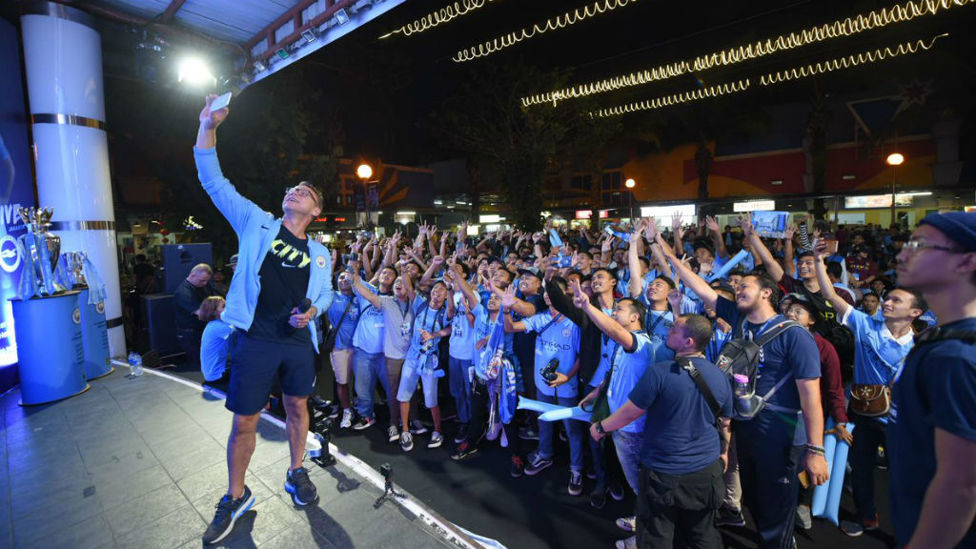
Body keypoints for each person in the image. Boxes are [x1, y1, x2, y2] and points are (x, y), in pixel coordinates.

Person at [194, 95, 335, 545]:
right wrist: (208, 127)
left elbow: (327, 293)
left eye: (307, 192)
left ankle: (296, 472)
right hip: (254, 338)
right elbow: (213, 180)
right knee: (245, 421)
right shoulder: (256, 222)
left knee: (298, 407)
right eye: (294, 188)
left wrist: (314, 311)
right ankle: (236, 495)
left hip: (296, 344)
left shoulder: (320, 253)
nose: (297, 190)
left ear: (315, 212)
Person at [658, 232, 829, 549]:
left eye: (744, 286)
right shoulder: (740, 319)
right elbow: (701, 288)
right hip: (745, 423)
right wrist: (668, 254)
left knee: (777, 498)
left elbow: (811, 398)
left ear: (767, 292)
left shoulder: (795, 336)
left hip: (780, 428)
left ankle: (779, 543)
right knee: (753, 494)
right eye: (735, 288)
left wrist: (816, 450)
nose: (737, 290)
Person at [591, 314, 732, 549]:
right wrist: (724, 452)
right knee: (703, 533)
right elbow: (725, 422)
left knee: (657, 533)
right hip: (706, 471)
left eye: (675, 329)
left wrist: (600, 427)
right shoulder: (720, 375)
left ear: (689, 342)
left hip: (663, 472)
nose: (668, 331)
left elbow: (630, 413)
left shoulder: (660, 372)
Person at [813, 244, 924, 536]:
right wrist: (818, 260)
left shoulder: (921, 345)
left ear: (914, 312)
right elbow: (830, 295)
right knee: (861, 469)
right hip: (862, 413)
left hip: (900, 422)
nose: (887, 302)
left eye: (895, 301)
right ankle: (867, 517)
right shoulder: (865, 325)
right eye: (887, 299)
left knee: (904, 476)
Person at [887, 212, 976, 548]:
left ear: (967, 261)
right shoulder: (943, 340)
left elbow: (962, 485)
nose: (902, 253)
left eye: (919, 245)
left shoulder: (954, 356)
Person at [503, 278, 585, 495]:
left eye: (554, 291)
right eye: (547, 292)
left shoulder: (574, 323)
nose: (548, 295)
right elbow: (510, 327)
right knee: (544, 422)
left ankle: (576, 469)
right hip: (543, 384)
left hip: (567, 385)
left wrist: (567, 377)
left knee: (572, 429)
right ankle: (545, 455)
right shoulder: (541, 318)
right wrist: (506, 308)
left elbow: (582, 356)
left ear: (564, 294)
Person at [396, 279, 453, 451]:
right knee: (403, 393)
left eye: (442, 290)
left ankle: (437, 430)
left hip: (430, 360)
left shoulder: (445, 312)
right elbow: (409, 286)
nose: (437, 291)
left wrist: (433, 335)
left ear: (446, 295)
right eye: (435, 288)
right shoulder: (420, 304)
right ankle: (405, 431)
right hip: (413, 356)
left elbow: (450, 328)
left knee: (431, 399)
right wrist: (405, 266)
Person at [326, 270, 361, 429]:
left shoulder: (360, 296)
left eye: (347, 277)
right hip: (340, 347)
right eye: (341, 277)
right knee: (342, 381)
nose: (344, 279)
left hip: (360, 348)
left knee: (361, 382)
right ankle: (347, 410)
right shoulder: (332, 296)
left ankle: (362, 408)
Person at [173, 263, 214, 365]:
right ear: (192, 275)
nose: (205, 283)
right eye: (202, 280)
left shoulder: (202, 286)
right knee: (198, 363)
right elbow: (201, 313)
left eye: (207, 280)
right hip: (190, 334)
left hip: (201, 330)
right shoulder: (183, 292)